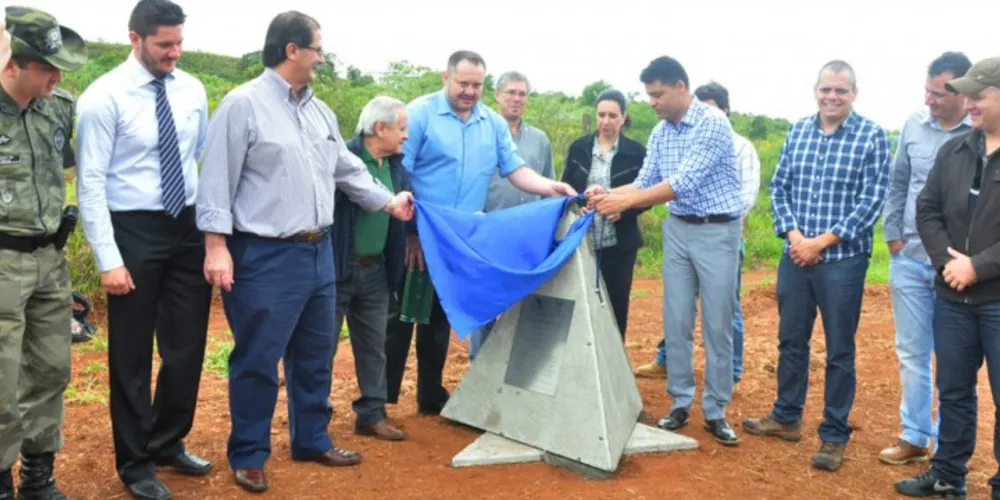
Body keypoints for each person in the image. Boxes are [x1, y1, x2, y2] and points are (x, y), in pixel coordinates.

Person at [195, 11, 414, 494]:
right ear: (291, 50)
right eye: (317, 47)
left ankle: (311, 437)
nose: (321, 56)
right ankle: (249, 453)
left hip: (320, 252)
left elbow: (347, 168)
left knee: (316, 353)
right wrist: (216, 248)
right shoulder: (242, 105)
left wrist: (388, 201)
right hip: (264, 255)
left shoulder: (319, 111)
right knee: (258, 357)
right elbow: (215, 183)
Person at [385, 50, 575, 415]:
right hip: (417, 232)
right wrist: (409, 231)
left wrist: (552, 187)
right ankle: (381, 400)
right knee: (400, 316)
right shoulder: (421, 113)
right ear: (446, 78)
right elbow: (399, 169)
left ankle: (429, 395)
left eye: (477, 85)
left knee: (442, 315)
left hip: (460, 237)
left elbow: (516, 170)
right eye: (463, 83)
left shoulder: (492, 123)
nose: (470, 91)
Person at [75, 2, 212, 498]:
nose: (173, 53)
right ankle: (134, 463)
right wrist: (109, 258)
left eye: (178, 43)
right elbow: (90, 183)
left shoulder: (193, 90)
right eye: (163, 45)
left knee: (187, 345)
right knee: (130, 354)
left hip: (186, 225)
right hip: (132, 229)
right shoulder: (102, 98)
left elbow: (197, 156)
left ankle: (167, 440)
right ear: (135, 38)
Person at [742, 60, 891, 472]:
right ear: (815, 90)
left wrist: (821, 242)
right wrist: (795, 239)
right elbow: (780, 187)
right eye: (826, 89)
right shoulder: (798, 131)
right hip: (795, 256)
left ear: (854, 94)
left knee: (840, 349)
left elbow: (871, 201)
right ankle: (787, 416)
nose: (832, 96)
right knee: (791, 339)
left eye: (841, 91)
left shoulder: (872, 136)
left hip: (842, 260)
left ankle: (833, 435)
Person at [591, 56, 743, 446]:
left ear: (680, 87)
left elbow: (682, 182)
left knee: (717, 324)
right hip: (679, 230)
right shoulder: (661, 133)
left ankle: (715, 410)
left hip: (717, 231)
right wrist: (606, 195)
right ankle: (679, 403)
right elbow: (644, 182)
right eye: (648, 95)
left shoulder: (712, 124)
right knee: (675, 320)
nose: (652, 102)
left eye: (657, 94)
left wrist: (624, 203)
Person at [895, 56, 1000, 500]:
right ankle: (948, 475)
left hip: (996, 296)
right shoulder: (954, 150)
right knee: (954, 389)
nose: (968, 103)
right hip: (953, 294)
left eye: (978, 95)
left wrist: (978, 266)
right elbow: (927, 209)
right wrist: (947, 263)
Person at [0, 6, 86, 500]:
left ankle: (38, 477)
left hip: (51, 262)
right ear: (13, 66)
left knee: (51, 369)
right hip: (2, 264)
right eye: (47, 68)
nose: (57, 76)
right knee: (1, 380)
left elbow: (67, 169)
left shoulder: (60, 106)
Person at [879, 52, 973, 467]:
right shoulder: (914, 125)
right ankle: (915, 435)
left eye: (939, 93)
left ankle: (951, 448)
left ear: (963, 92)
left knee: (956, 357)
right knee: (912, 352)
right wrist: (893, 236)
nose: (930, 100)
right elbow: (899, 182)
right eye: (927, 91)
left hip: (959, 269)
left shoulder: (982, 131)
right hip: (911, 259)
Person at [634, 81, 761, 382]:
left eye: (710, 107)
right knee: (679, 305)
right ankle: (668, 362)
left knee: (726, 308)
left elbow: (744, 198)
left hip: (722, 233)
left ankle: (730, 371)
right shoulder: (670, 134)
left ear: (725, 111)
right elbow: (656, 181)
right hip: (683, 230)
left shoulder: (741, 146)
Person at [331, 95, 410, 442]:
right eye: (401, 128)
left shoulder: (396, 167)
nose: (405, 136)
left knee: (374, 345)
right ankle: (313, 417)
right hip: (336, 269)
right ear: (380, 128)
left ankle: (371, 414)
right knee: (322, 346)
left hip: (376, 268)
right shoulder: (341, 158)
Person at [468, 70, 556, 360]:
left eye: (522, 94)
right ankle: (480, 368)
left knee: (525, 303)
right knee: (487, 304)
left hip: (528, 236)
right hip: (490, 232)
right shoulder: (480, 134)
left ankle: (519, 370)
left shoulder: (539, 140)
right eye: (511, 93)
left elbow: (546, 185)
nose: (517, 99)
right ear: (497, 95)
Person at [561, 88, 648, 340]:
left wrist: (626, 209)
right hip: (583, 241)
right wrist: (579, 204)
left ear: (623, 117)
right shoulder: (580, 148)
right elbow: (567, 186)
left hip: (619, 243)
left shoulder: (636, 153)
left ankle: (614, 365)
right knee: (581, 301)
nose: (606, 121)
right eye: (601, 115)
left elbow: (647, 194)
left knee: (616, 305)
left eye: (612, 115)